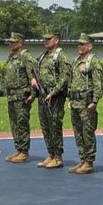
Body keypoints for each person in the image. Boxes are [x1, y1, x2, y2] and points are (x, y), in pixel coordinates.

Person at [34, 31, 72, 168]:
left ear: (56, 40)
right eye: (45, 39)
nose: (46, 41)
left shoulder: (61, 56)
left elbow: (65, 77)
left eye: (49, 39)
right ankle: (50, 154)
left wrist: (54, 92)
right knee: (45, 126)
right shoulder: (43, 56)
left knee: (55, 126)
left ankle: (58, 157)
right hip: (43, 95)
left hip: (54, 97)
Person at [66, 33, 102, 174]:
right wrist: (70, 98)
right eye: (78, 44)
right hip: (75, 103)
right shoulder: (76, 61)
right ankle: (82, 159)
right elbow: (72, 81)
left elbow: (98, 84)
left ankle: (89, 161)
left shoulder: (93, 61)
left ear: (89, 46)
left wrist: (94, 101)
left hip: (86, 103)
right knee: (78, 133)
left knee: (87, 132)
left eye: (82, 44)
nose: (79, 47)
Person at [2, 32, 37, 163]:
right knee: (14, 124)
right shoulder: (11, 57)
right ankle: (18, 149)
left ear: (20, 43)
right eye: (10, 42)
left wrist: (33, 95)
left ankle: (24, 151)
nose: (10, 44)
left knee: (22, 124)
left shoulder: (26, 57)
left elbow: (33, 77)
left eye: (13, 42)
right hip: (12, 96)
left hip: (22, 96)